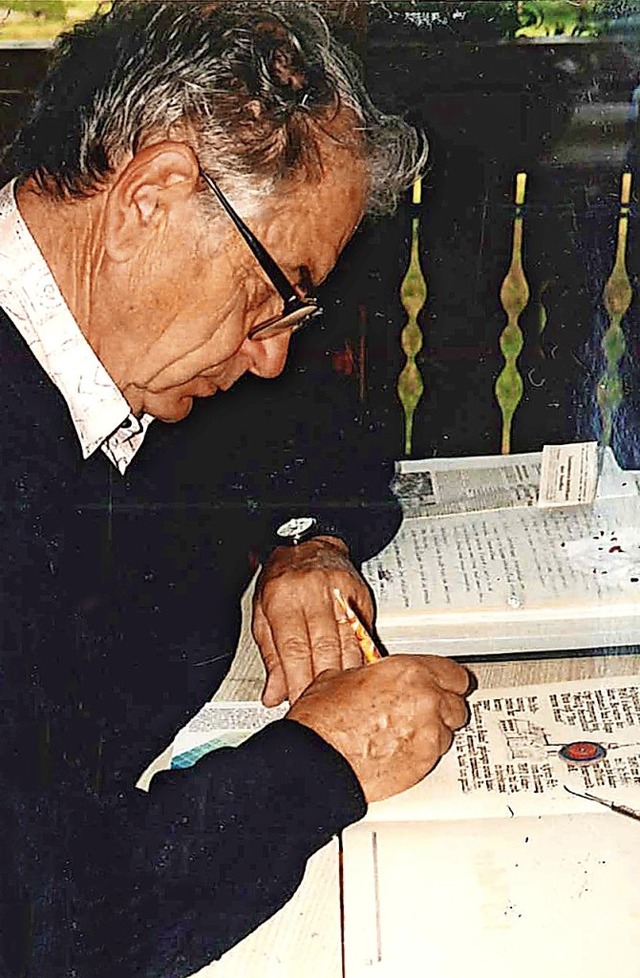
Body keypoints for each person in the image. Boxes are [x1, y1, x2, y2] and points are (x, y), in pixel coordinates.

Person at [0, 3, 470, 975]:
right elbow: (44, 929)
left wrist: (305, 540)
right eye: (275, 292)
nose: (268, 356)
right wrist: (319, 764)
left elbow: (308, 421)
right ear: (155, 195)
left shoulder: (118, 337)